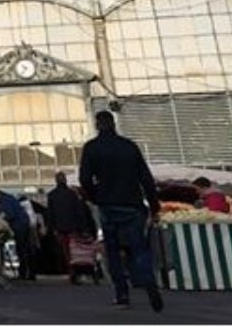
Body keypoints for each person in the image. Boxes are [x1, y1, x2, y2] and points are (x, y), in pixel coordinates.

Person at [79, 109, 164, 313]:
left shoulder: (91, 148)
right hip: (132, 203)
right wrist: (154, 206)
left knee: (113, 250)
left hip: (108, 204)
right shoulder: (129, 146)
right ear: (114, 123)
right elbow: (146, 178)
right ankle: (148, 279)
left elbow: (84, 179)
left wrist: (95, 197)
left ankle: (122, 293)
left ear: (97, 125)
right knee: (138, 247)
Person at [46, 172, 92, 283]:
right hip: (73, 227)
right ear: (65, 180)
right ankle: (77, 271)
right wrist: (83, 227)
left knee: (65, 251)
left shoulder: (51, 195)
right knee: (75, 251)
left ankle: (70, 271)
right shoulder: (72, 194)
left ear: (56, 181)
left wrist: (52, 228)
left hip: (60, 228)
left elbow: (50, 214)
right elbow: (78, 212)